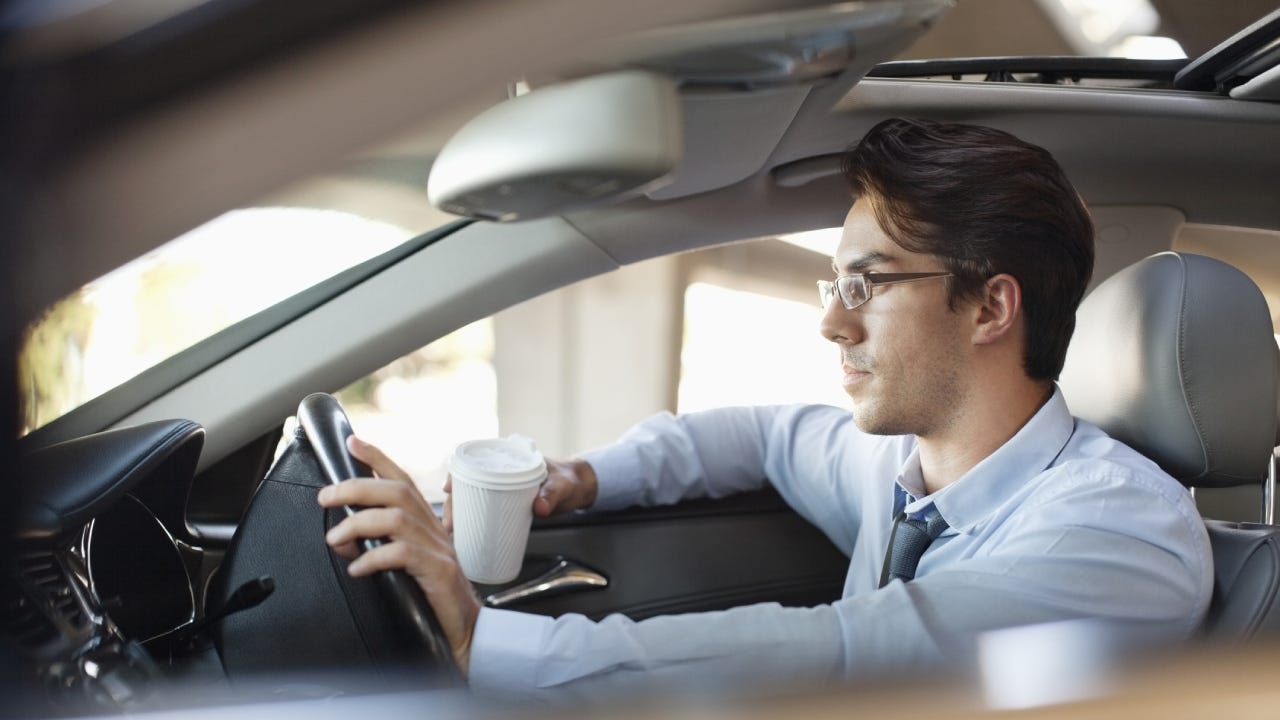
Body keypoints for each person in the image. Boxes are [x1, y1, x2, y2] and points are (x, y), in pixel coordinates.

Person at [317, 118, 1212, 700]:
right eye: (834, 282)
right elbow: (763, 436)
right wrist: (581, 477)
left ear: (990, 307)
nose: (831, 320)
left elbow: (853, 652)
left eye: (867, 284)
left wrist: (485, 640)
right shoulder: (905, 469)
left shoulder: (1118, 537)